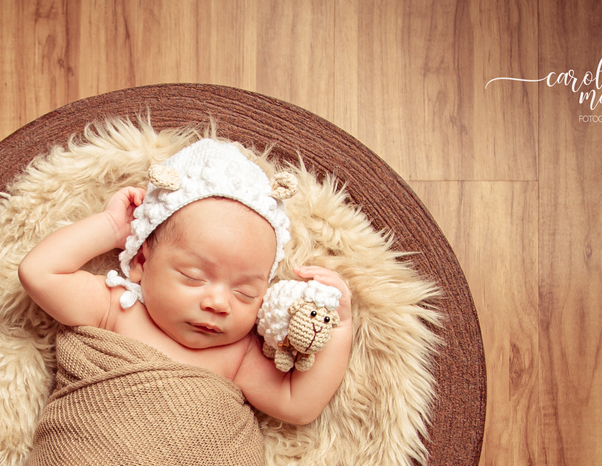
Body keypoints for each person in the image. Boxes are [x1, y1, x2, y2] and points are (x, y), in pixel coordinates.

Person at [18, 138, 352, 425]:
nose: (219, 303)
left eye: (245, 293)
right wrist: (110, 228)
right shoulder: (116, 307)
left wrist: (338, 325)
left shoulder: (239, 354)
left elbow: (299, 404)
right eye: (194, 278)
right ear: (141, 262)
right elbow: (40, 273)